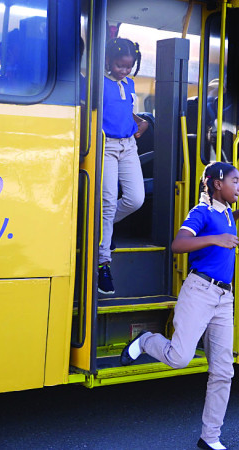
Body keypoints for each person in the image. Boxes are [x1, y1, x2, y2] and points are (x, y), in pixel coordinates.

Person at [120, 161, 239, 450]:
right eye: (234, 181)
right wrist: (217, 239)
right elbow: (179, 244)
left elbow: (222, 223)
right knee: (180, 358)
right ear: (217, 184)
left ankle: (210, 437)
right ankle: (147, 340)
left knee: (223, 371)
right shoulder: (201, 212)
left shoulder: (224, 214)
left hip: (224, 298)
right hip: (199, 291)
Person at [97, 37, 149, 294]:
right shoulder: (96, 82)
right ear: (108, 60)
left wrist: (142, 122)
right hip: (105, 146)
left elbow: (127, 112)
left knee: (135, 199)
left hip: (128, 146)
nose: (125, 71)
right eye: (120, 66)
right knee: (107, 201)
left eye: (129, 67)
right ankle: (103, 262)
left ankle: (101, 229)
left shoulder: (129, 83)